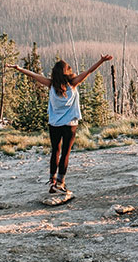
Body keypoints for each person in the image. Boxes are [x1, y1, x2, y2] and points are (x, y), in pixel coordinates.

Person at [7, 55, 113, 194]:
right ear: (66, 72)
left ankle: (52, 182)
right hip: (70, 124)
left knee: (55, 151)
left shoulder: (51, 84)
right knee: (65, 154)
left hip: (54, 124)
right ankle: (61, 183)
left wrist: (19, 68)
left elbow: (34, 75)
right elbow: (89, 71)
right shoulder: (73, 83)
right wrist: (101, 61)